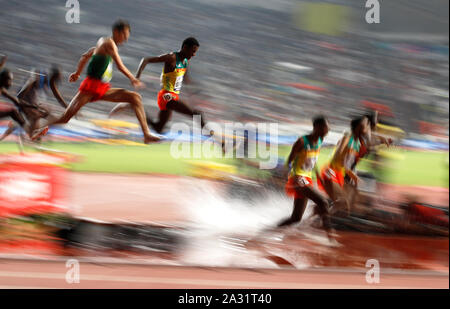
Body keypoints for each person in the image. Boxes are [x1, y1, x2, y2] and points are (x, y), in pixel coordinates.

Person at [31, 20, 160, 144]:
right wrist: (133, 78)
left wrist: (77, 73)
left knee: (135, 98)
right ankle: (38, 127)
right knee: (65, 118)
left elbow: (85, 55)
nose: (125, 39)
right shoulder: (109, 43)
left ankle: (146, 135)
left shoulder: (102, 43)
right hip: (91, 88)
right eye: (124, 35)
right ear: (116, 31)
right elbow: (120, 66)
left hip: (101, 87)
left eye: (127, 36)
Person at [109, 37, 213, 137]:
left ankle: (132, 107)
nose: (194, 54)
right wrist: (137, 77)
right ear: (185, 47)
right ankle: (210, 135)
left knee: (158, 128)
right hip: (166, 96)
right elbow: (145, 60)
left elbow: (185, 79)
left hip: (174, 96)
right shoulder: (171, 57)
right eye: (193, 51)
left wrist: (195, 91)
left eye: (195, 52)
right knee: (196, 114)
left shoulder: (185, 61)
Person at [278, 116, 332, 235]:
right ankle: (330, 236)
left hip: (306, 178)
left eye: (328, 128)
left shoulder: (319, 141)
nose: (328, 131)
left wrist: (318, 176)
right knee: (323, 202)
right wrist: (287, 174)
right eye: (325, 128)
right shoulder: (302, 141)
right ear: (317, 127)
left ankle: (269, 231)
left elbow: (313, 161)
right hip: (298, 178)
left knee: (296, 218)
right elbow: (290, 160)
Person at [318, 116, 371, 216]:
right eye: (366, 124)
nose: (368, 127)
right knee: (342, 202)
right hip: (330, 171)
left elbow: (347, 163)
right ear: (358, 127)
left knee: (343, 203)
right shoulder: (347, 138)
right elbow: (338, 156)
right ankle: (321, 220)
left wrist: (352, 175)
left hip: (338, 173)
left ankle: (316, 216)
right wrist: (351, 173)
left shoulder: (357, 143)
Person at [0, 68, 34, 140]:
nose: (11, 83)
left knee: (13, 111)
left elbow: (17, 102)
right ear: (2, 79)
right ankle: (31, 132)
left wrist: (32, 106)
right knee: (13, 112)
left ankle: (31, 132)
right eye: (9, 80)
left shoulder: (2, 90)